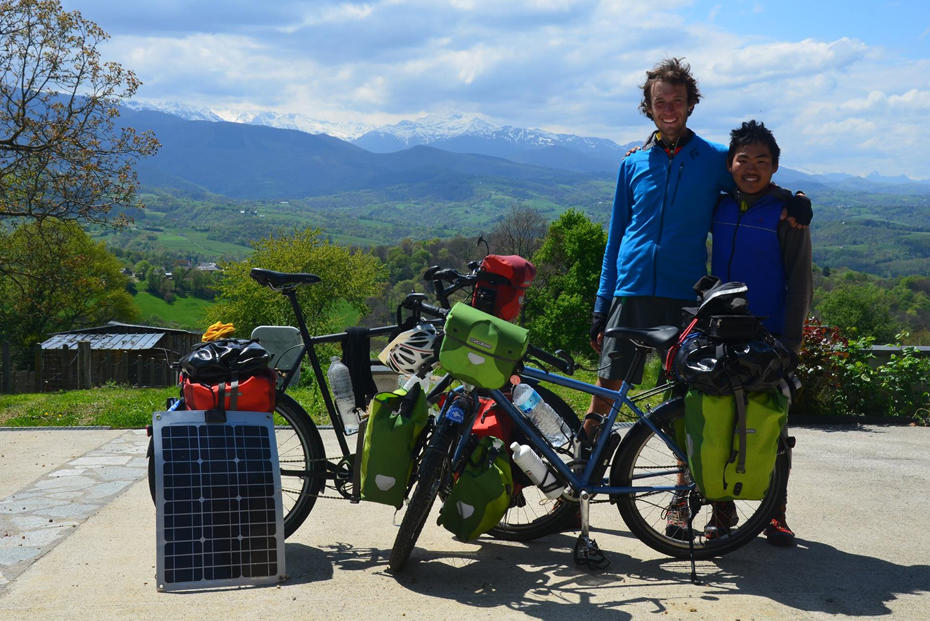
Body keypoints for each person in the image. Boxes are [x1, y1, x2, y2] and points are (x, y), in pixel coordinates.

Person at [706, 119, 812, 546]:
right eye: (743, 159)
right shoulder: (718, 205)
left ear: (775, 167)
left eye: (762, 161)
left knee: (771, 425)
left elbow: (800, 280)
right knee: (718, 423)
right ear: (730, 165)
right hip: (720, 329)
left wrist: (792, 341)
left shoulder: (788, 214)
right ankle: (721, 511)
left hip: (768, 335)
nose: (752, 168)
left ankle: (776, 512)